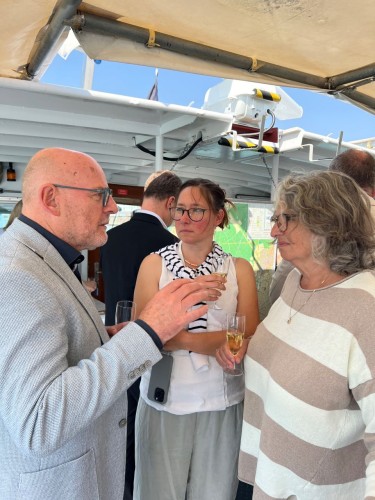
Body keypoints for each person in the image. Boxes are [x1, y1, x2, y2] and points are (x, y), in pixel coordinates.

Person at [0, 148, 219, 500]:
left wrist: (104, 339)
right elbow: (39, 422)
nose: (114, 208)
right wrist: (149, 331)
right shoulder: (18, 275)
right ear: (51, 198)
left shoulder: (38, 260)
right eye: (101, 196)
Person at [217, 170, 375, 498]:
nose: (274, 230)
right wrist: (248, 347)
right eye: (276, 218)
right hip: (273, 476)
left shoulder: (365, 305)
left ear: (328, 220)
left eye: (286, 218)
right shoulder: (296, 281)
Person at [133, 178, 259, 500]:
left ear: (218, 217)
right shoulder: (154, 264)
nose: (184, 218)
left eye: (197, 211)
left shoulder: (238, 269)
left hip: (222, 400)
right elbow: (142, 334)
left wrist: (179, 338)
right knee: (156, 491)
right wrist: (212, 340)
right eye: (180, 210)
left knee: (215, 492)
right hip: (164, 398)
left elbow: (248, 334)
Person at [100, 169, 181, 500]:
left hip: (113, 341)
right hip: (151, 351)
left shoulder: (111, 237)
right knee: (145, 426)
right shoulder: (171, 247)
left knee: (120, 422)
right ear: (172, 203)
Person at [269, 148, 375, 304]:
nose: (275, 232)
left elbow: (281, 284)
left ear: (330, 181)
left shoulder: (319, 210)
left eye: (287, 218)